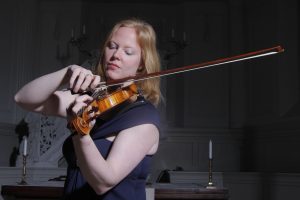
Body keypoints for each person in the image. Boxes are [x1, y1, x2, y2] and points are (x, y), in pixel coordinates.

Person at [14, 18, 161, 200]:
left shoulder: (143, 118)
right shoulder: (91, 99)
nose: (116, 55)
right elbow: (23, 99)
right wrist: (66, 73)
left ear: (141, 64)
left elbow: (103, 182)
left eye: (128, 52)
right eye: (112, 46)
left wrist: (80, 131)